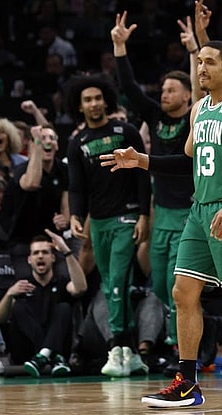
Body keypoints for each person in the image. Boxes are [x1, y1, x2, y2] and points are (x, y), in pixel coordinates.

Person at [102, 40, 222, 408]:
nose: (202, 69)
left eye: (210, 63)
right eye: (199, 63)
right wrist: (142, 160)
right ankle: (187, 382)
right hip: (200, 210)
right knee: (183, 291)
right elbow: (188, 164)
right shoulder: (199, 109)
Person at [111, 11, 196, 349]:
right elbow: (130, 89)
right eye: (163, 89)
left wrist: (193, 50)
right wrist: (120, 48)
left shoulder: (196, 116)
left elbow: (203, 88)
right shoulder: (156, 116)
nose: (164, 94)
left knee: (179, 284)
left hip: (188, 212)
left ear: (187, 96)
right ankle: (187, 333)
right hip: (161, 212)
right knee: (159, 283)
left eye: (172, 90)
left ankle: (179, 346)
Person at [66, 74, 151, 377]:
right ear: (79, 106)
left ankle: (115, 348)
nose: (94, 104)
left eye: (98, 98)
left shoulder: (126, 131)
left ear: (106, 100)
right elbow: (76, 188)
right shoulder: (77, 143)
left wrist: (143, 215)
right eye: (87, 100)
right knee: (115, 286)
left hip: (126, 217)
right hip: (98, 223)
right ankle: (130, 351)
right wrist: (76, 216)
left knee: (116, 282)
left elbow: (143, 175)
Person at [0, 231, 87, 377]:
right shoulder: (22, 285)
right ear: (29, 259)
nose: (40, 256)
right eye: (36, 253)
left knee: (64, 308)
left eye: (45, 252)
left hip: (56, 354)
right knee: (19, 307)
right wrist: (9, 294)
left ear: (52, 258)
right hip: (27, 355)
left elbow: (80, 288)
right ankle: (47, 354)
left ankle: (43, 355)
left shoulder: (61, 282)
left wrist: (66, 251)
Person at [0, 124, 69, 279]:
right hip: (21, 239)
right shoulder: (21, 170)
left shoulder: (64, 170)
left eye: (52, 138)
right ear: (32, 145)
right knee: (29, 283)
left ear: (57, 144)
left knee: (64, 278)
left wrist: (64, 220)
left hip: (51, 241)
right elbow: (31, 184)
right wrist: (37, 144)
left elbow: (66, 205)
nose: (47, 141)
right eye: (42, 138)